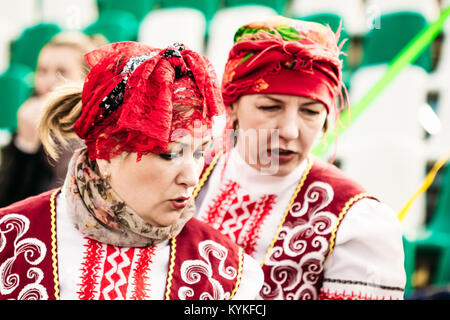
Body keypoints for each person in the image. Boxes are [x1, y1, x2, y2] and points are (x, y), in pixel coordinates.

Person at [0, 41, 263, 300]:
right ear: (106, 152)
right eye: (169, 154)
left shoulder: (228, 275)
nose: (192, 178)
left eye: (199, 153)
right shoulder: (8, 239)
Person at [194, 16, 406, 300]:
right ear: (230, 106)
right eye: (270, 107)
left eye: (310, 111)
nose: (291, 131)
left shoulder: (355, 219)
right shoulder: (189, 176)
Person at [0, 32, 106, 207]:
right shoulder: (29, 123)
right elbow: (7, 206)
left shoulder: (95, 132)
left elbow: (63, 203)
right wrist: (24, 147)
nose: (48, 82)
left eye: (61, 72)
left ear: (87, 78)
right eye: (42, 71)